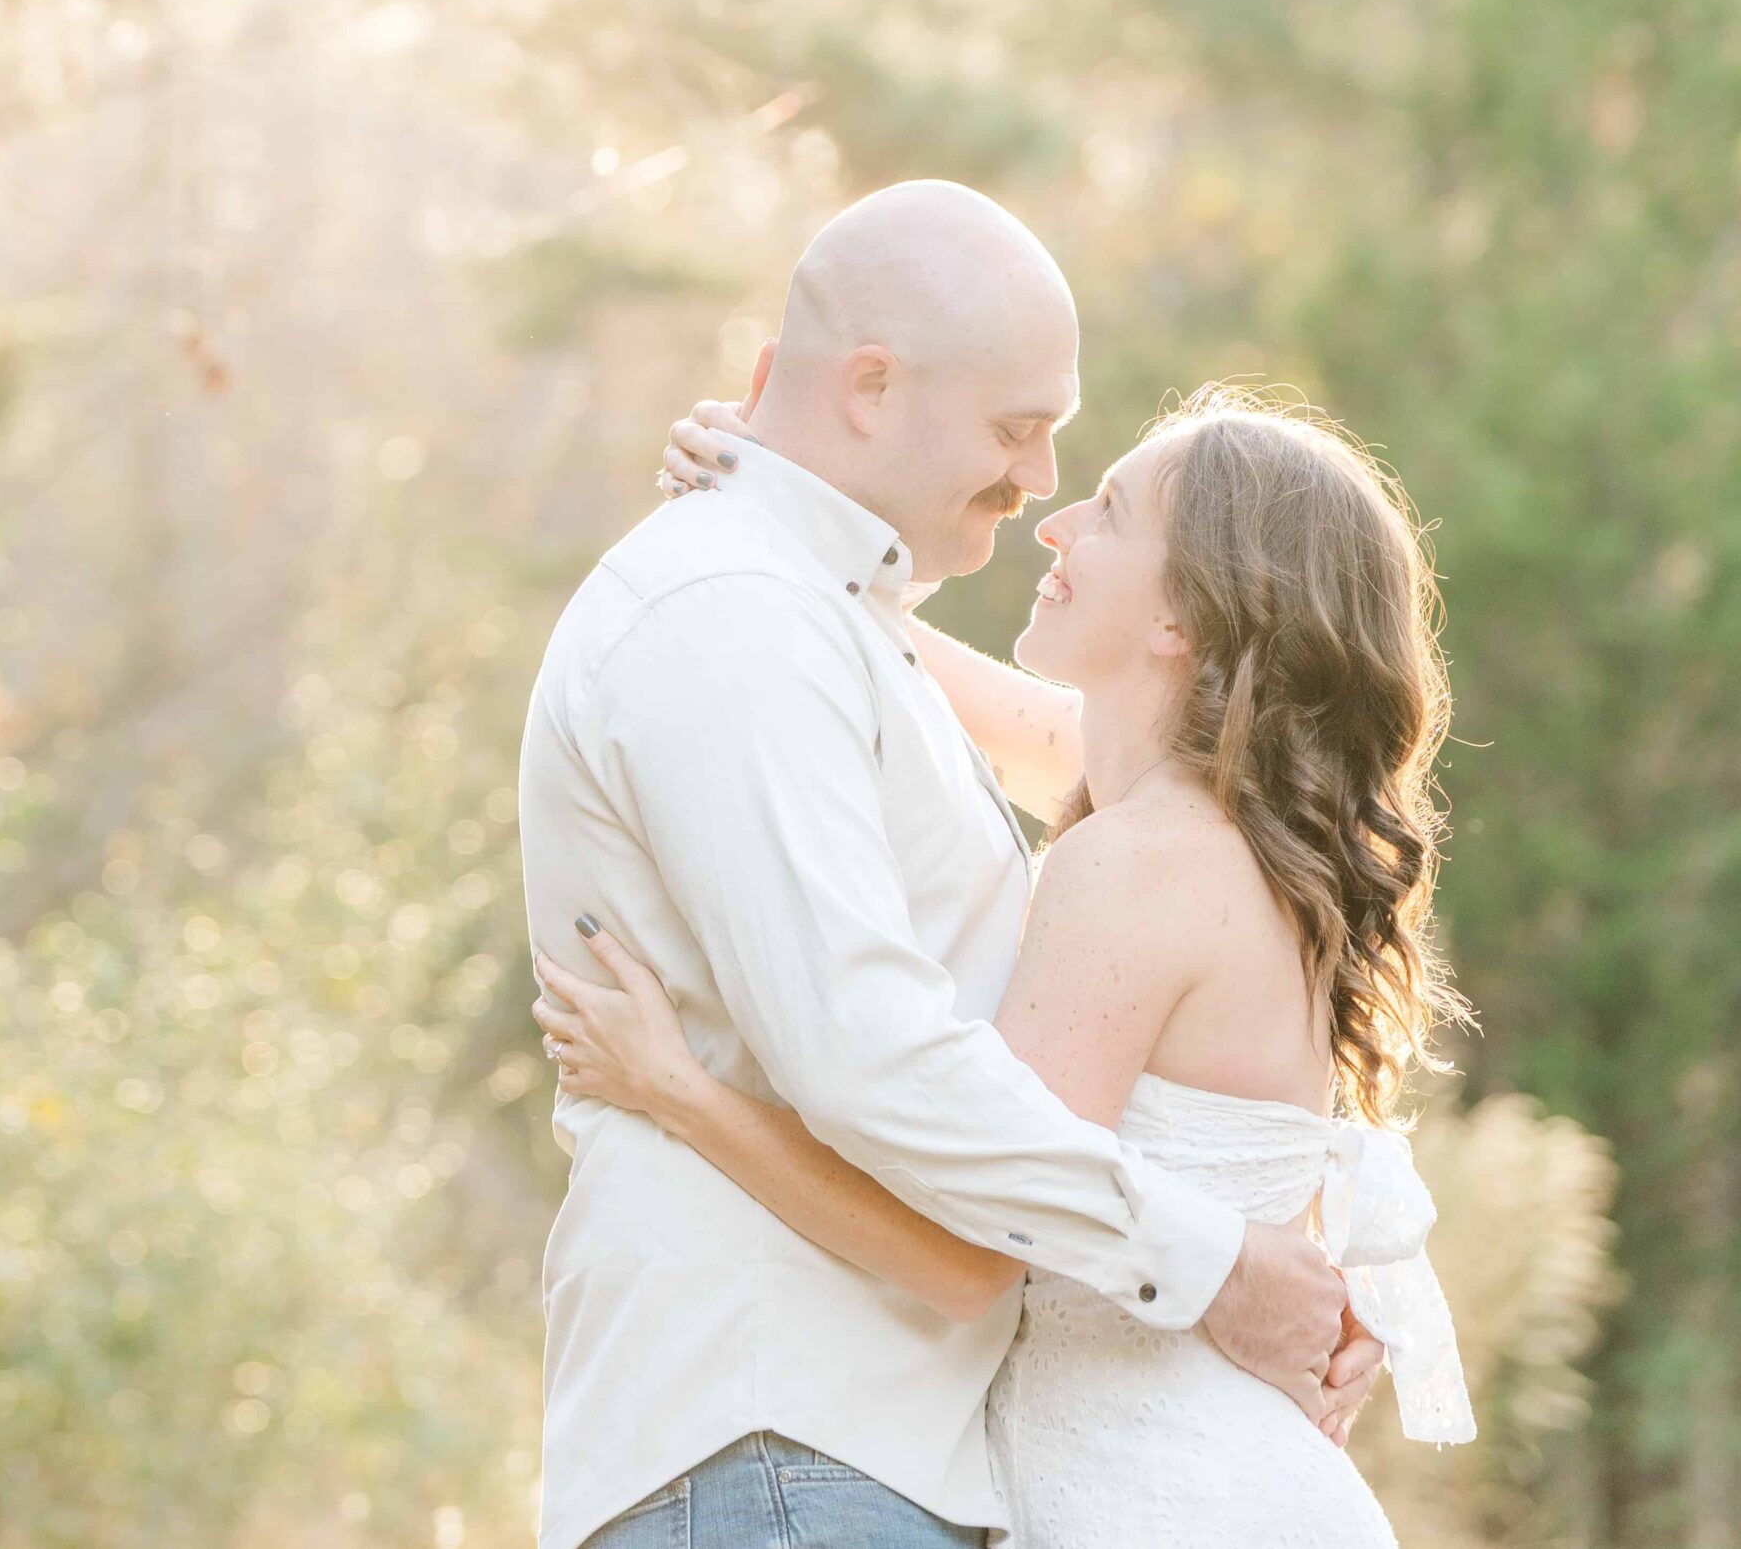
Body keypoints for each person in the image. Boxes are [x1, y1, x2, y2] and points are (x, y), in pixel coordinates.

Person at [514, 180, 1381, 1549]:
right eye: (1021, 432)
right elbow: (875, 1062)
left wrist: (786, 513)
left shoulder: (1123, 820)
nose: (1042, 494)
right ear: (870, 386)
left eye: (1090, 490)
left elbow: (959, 1218)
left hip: (871, 1455)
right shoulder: (745, 615)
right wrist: (1218, 1262)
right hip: (785, 1439)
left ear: (1190, 622)